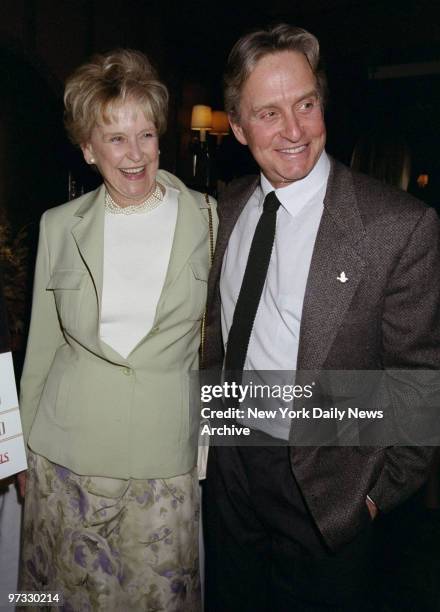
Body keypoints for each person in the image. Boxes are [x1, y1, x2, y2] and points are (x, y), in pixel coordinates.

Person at [202, 24, 440, 611]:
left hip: (328, 480)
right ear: (236, 128)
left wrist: (374, 496)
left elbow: (419, 380)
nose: (294, 130)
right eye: (269, 113)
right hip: (228, 466)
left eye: (306, 104)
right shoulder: (220, 211)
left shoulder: (397, 226)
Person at [18, 49, 216, 611]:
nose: (135, 156)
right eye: (115, 139)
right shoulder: (58, 226)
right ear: (87, 149)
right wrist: (19, 452)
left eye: (146, 135)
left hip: (164, 459)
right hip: (63, 458)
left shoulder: (209, 217)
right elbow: (42, 346)